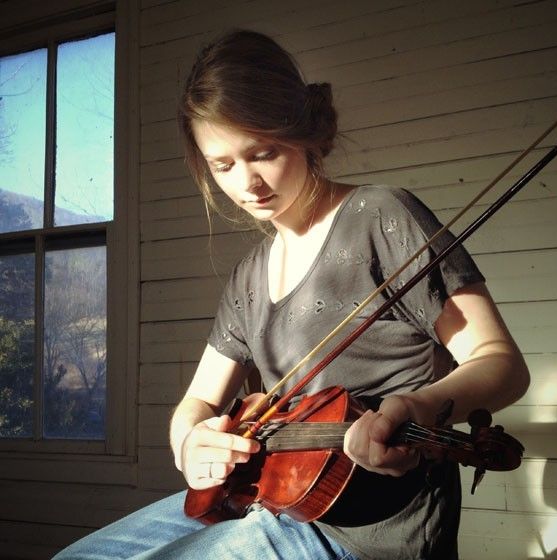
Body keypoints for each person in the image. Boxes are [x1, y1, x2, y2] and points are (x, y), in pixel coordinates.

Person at [53, 29, 530, 560]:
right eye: (222, 165)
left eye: (263, 153)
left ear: (303, 132)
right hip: (266, 498)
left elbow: (501, 363)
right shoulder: (248, 277)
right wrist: (188, 442)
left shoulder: (382, 217)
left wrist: (416, 405)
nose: (247, 183)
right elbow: (199, 400)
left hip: (368, 529)